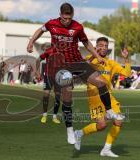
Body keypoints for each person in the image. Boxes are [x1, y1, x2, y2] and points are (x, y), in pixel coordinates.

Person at [27, 3, 123, 144]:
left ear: (72, 15)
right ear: (60, 15)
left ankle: (109, 110)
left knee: (101, 82)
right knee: (67, 97)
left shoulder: (77, 27)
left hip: (77, 62)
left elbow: (86, 43)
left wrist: (98, 55)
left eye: (69, 18)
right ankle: (70, 130)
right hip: (61, 66)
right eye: (65, 18)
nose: (67, 21)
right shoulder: (51, 24)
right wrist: (31, 42)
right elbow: (40, 30)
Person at [74, 37, 131, 158]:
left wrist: (126, 59)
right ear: (95, 47)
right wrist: (94, 56)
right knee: (101, 125)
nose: (103, 48)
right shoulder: (89, 61)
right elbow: (80, 70)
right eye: (101, 45)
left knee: (119, 120)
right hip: (94, 98)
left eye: (106, 46)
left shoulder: (111, 63)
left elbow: (127, 74)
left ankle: (106, 149)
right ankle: (79, 133)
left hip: (108, 96)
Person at [36, 46, 61, 124]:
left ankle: (54, 116)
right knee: (46, 95)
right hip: (48, 76)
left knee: (58, 96)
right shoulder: (49, 51)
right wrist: (37, 72)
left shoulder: (64, 51)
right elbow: (38, 59)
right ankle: (44, 115)